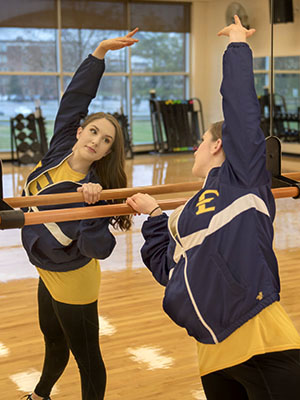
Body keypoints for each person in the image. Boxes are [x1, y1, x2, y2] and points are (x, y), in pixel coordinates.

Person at [126, 16, 300, 400]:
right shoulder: (188, 211)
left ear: (219, 145)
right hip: (210, 351)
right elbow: (168, 270)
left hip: (259, 337)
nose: (196, 147)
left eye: (202, 141)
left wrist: (237, 44)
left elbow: (240, 109)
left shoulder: (243, 179)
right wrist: (155, 218)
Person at [21, 29, 139, 400]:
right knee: (52, 338)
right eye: (93, 131)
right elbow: (76, 97)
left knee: (87, 357)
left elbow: (99, 248)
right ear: (78, 131)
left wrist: (93, 209)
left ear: (107, 153)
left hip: (74, 278)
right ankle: (40, 395)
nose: (97, 141)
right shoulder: (58, 151)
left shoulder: (96, 189)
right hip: (45, 267)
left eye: (107, 141)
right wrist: (100, 52)